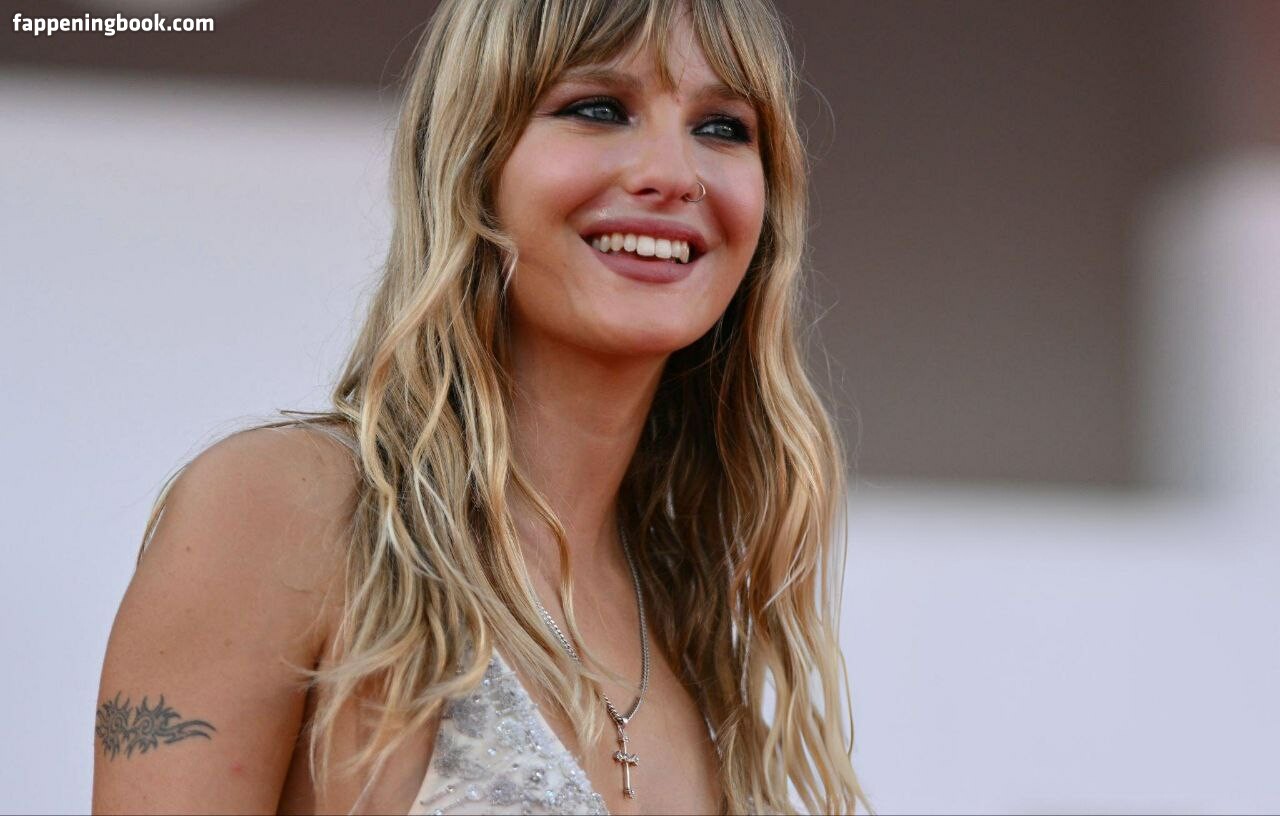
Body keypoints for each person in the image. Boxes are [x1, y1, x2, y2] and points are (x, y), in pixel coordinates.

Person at [92, 0, 869, 813]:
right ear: (472, 159)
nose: (674, 174)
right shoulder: (285, 507)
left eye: (722, 127)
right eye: (598, 109)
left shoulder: (696, 624)